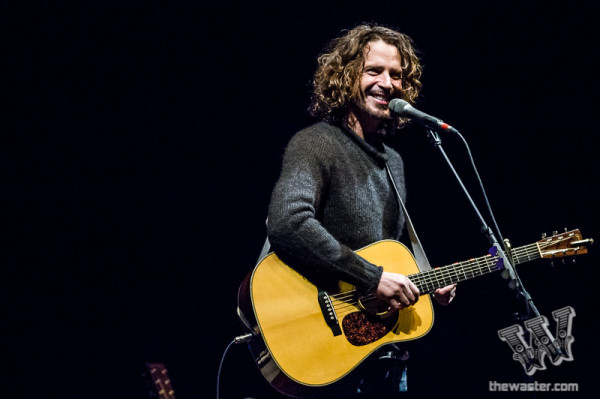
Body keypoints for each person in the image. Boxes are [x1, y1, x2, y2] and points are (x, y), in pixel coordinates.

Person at [266, 24, 457, 397]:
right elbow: (289, 222)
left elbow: (384, 249)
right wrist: (371, 277)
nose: (387, 83)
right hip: (324, 342)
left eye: (396, 74)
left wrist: (424, 279)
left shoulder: (394, 162)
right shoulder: (316, 143)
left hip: (383, 356)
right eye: (374, 71)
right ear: (346, 76)